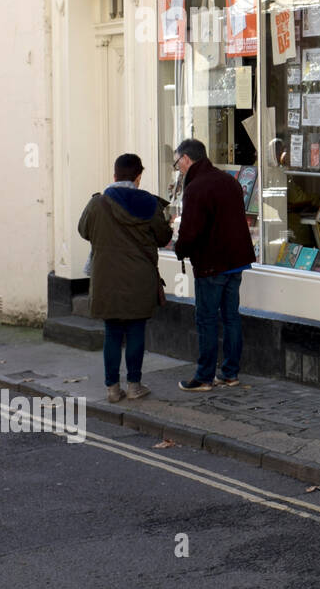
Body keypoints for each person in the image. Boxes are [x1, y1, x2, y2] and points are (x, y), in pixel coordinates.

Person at [77, 153, 172, 403]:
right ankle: (134, 385)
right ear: (138, 176)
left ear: (114, 175)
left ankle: (111, 388)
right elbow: (163, 238)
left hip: (106, 279)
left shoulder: (98, 203)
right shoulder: (150, 205)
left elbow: (83, 230)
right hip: (140, 279)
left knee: (112, 333)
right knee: (136, 330)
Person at [173, 139, 257, 391]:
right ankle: (230, 373)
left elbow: (190, 232)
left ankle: (204, 377)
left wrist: (179, 249)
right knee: (231, 318)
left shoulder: (196, 187)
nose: (178, 168)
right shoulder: (227, 180)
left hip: (212, 264)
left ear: (186, 159)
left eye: (178, 163)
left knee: (207, 320)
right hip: (236, 261)